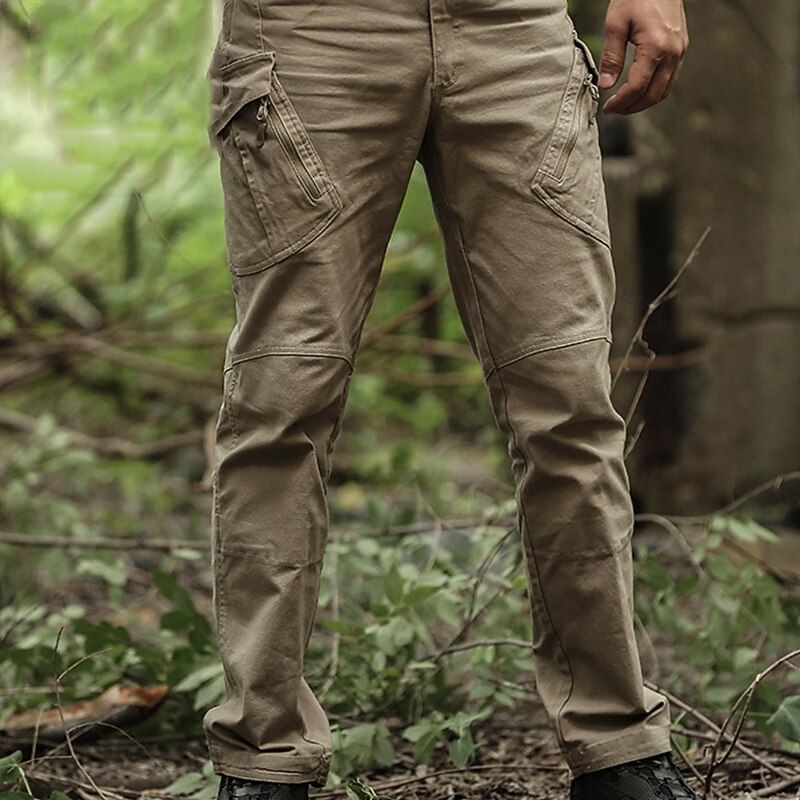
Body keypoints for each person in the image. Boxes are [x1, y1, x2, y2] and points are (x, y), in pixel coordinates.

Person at [201, 0, 693, 798]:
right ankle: (264, 757)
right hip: (312, 32)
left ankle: (619, 750)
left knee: (569, 401)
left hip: (514, 29)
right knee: (280, 401)